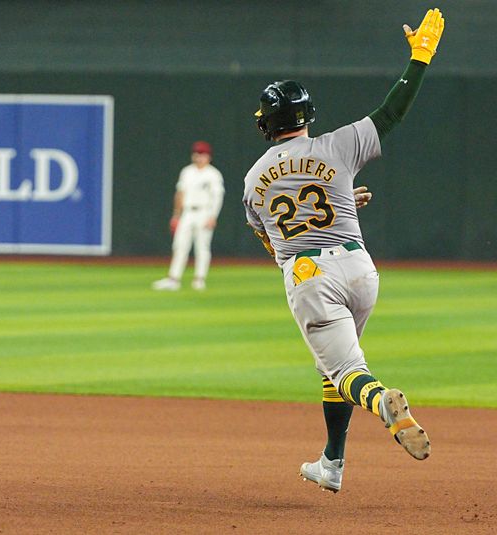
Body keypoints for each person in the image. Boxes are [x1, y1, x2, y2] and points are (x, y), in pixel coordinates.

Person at [242, 8, 445, 492]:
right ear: (306, 116)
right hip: (360, 267)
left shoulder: (253, 181)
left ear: (267, 123)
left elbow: (275, 237)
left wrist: (325, 211)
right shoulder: (339, 146)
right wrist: (419, 57)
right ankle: (332, 464)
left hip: (310, 275)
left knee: (349, 370)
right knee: (333, 366)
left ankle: (384, 405)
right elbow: (393, 110)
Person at [153, 141, 225, 291]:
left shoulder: (213, 174)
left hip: (204, 212)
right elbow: (180, 194)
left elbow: (217, 197)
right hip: (187, 213)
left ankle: (199, 279)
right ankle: (174, 279)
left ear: (209, 157)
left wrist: (213, 216)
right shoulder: (187, 172)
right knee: (180, 246)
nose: (199, 157)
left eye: (203, 154)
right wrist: (176, 215)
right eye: (197, 154)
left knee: (202, 247)